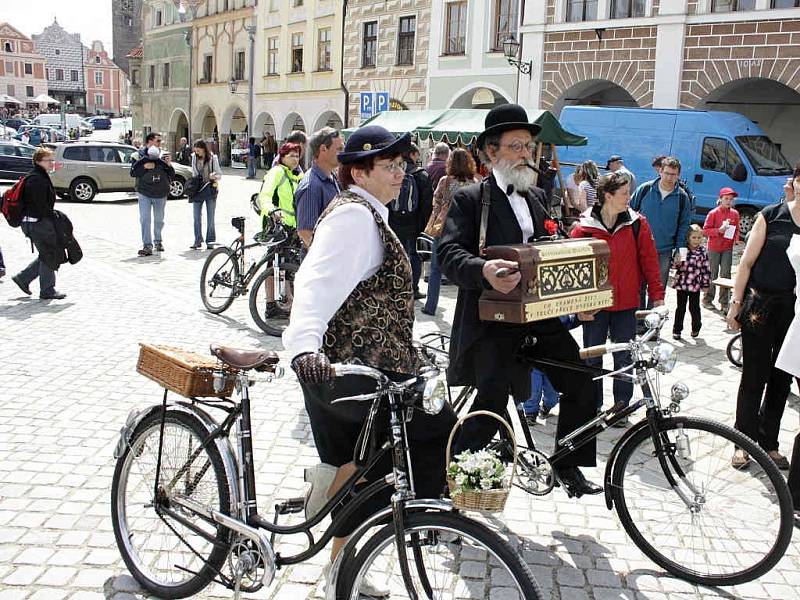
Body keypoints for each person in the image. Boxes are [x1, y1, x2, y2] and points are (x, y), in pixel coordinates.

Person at [282, 124, 455, 594]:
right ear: (359, 171)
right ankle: (343, 558)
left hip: (376, 368)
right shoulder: (355, 217)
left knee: (361, 470)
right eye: (390, 165)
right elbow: (315, 283)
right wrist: (301, 350)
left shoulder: (368, 212)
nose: (401, 173)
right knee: (379, 463)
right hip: (349, 371)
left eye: (403, 164)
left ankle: (339, 562)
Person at [438, 103, 601, 497]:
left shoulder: (537, 197)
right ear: (491, 152)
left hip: (538, 318)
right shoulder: (472, 198)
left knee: (583, 383)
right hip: (491, 321)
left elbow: (550, 253)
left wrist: (579, 299)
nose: (526, 154)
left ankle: (566, 464)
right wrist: (484, 270)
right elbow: (447, 255)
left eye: (528, 146)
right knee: (491, 406)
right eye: (516, 147)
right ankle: (442, 487)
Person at [570, 172, 664, 426]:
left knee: (624, 357)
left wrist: (657, 297)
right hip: (594, 305)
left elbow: (649, 261)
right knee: (593, 357)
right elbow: (573, 270)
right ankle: (594, 405)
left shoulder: (637, 223)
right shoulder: (583, 227)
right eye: (624, 193)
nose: (629, 198)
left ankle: (621, 408)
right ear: (607, 196)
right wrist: (578, 305)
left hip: (626, 303)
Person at [726, 163, 800, 471]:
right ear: (795, 183)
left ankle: (768, 441)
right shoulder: (772, 215)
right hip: (759, 305)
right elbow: (745, 263)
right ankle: (743, 441)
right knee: (754, 374)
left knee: (781, 378)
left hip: (795, 311)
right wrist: (735, 303)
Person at [421, 147, 478, 316]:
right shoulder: (474, 183)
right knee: (464, 266)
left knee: (436, 268)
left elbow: (436, 203)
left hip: (443, 226)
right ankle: (463, 310)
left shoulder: (445, 181)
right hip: (465, 228)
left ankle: (431, 306)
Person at [630, 156, 692, 308]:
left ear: (678, 175)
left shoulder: (683, 198)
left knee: (657, 290)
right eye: (667, 173)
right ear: (660, 171)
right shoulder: (645, 189)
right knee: (638, 287)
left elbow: (684, 226)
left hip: (664, 251)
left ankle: (652, 325)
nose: (670, 177)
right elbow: (628, 213)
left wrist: (680, 252)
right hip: (639, 248)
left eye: (674, 174)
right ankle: (637, 323)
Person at [11, 147, 67, 299]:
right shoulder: (36, 179)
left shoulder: (39, 176)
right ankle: (47, 289)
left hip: (36, 221)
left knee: (47, 253)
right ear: (38, 162)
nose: (52, 163)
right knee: (49, 252)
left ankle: (23, 278)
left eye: (52, 160)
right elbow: (40, 205)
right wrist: (53, 216)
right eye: (49, 160)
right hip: (36, 223)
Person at [389, 143, 433, 300]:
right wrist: (424, 224)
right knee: (414, 255)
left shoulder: (393, 172)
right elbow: (427, 203)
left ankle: (398, 286)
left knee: (396, 254)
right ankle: (413, 288)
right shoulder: (421, 175)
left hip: (394, 221)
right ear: (413, 154)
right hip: (415, 222)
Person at [294, 127, 343, 248]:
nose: (343, 152)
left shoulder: (332, 177)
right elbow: (305, 232)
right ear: (323, 149)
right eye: (339, 149)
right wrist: (327, 255)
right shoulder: (311, 186)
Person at [130, 132, 174, 257]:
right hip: (144, 192)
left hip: (160, 193)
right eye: (158, 141)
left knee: (159, 220)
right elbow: (133, 172)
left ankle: (158, 241)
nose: (160, 143)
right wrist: (144, 166)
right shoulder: (137, 155)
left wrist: (169, 164)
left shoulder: (164, 155)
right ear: (150, 142)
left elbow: (171, 174)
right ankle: (147, 245)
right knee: (145, 219)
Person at [702, 187, 740, 311]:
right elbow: (705, 231)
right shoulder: (713, 213)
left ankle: (724, 301)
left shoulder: (735, 213)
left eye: (731, 199)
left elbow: (737, 229)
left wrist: (736, 239)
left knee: (725, 274)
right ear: (720, 199)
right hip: (713, 247)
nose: (729, 201)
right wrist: (718, 231)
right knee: (712, 273)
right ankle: (707, 299)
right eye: (726, 198)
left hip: (727, 247)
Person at [671, 224, 711, 340]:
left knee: (694, 308)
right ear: (688, 238)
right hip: (682, 284)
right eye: (694, 237)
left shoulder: (703, 251)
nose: (696, 240)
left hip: (695, 285)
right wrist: (676, 263)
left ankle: (696, 327)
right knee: (680, 308)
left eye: (699, 238)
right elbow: (675, 266)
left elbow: (705, 269)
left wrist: (705, 284)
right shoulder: (683, 249)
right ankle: (677, 330)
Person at [258, 142, 302, 231]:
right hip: (277, 224)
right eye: (291, 156)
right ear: (282, 157)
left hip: (294, 227)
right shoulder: (277, 172)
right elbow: (265, 195)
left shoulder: (298, 176)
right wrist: (272, 211)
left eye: (297, 156)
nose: (295, 159)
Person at [189, 140, 222, 250]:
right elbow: (194, 172)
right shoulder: (194, 157)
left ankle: (210, 240)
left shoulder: (213, 158)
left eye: (198, 150)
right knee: (196, 216)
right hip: (197, 190)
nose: (197, 153)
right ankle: (197, 240)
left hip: (210, 189)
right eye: (195, 151)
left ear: (203, 149)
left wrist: (214, 176)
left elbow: (219, 174)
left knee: (210, 216)